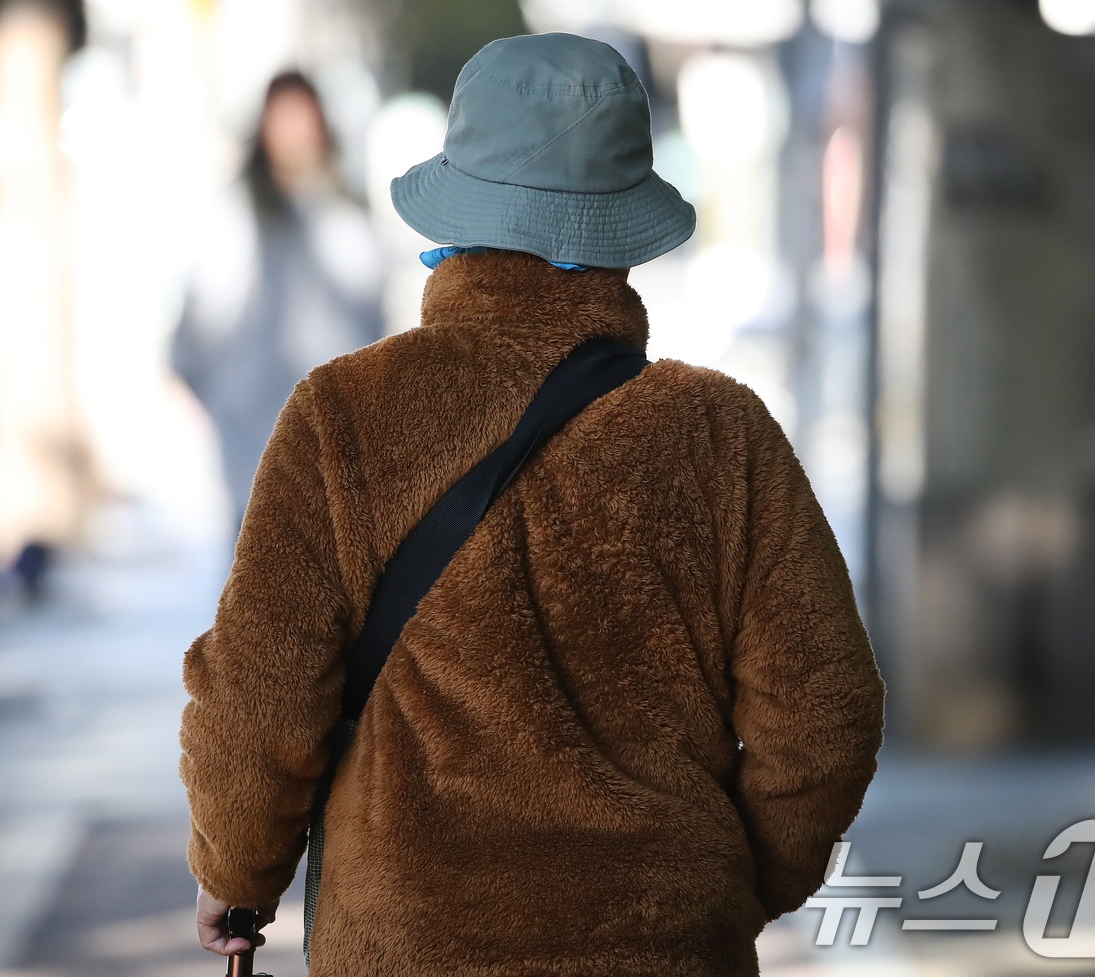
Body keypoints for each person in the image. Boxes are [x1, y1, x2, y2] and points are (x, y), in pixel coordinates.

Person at [180, 33, 884, 977]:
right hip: (665, 945)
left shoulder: (344, 415)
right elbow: (827, 713)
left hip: (410, 944)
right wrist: (725, 882)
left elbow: (260, 694)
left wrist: (235, 873)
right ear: (623, 223)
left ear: (458, 211)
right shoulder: (721, 432)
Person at [173, 71, 383, 528]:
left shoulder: (346, 213)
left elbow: (374, 326)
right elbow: (193, 331)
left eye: (303, 117)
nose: (295, 133)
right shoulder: (231, 215)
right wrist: (225, 403)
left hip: (335, 447)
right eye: (283, 119)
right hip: (251, 444)